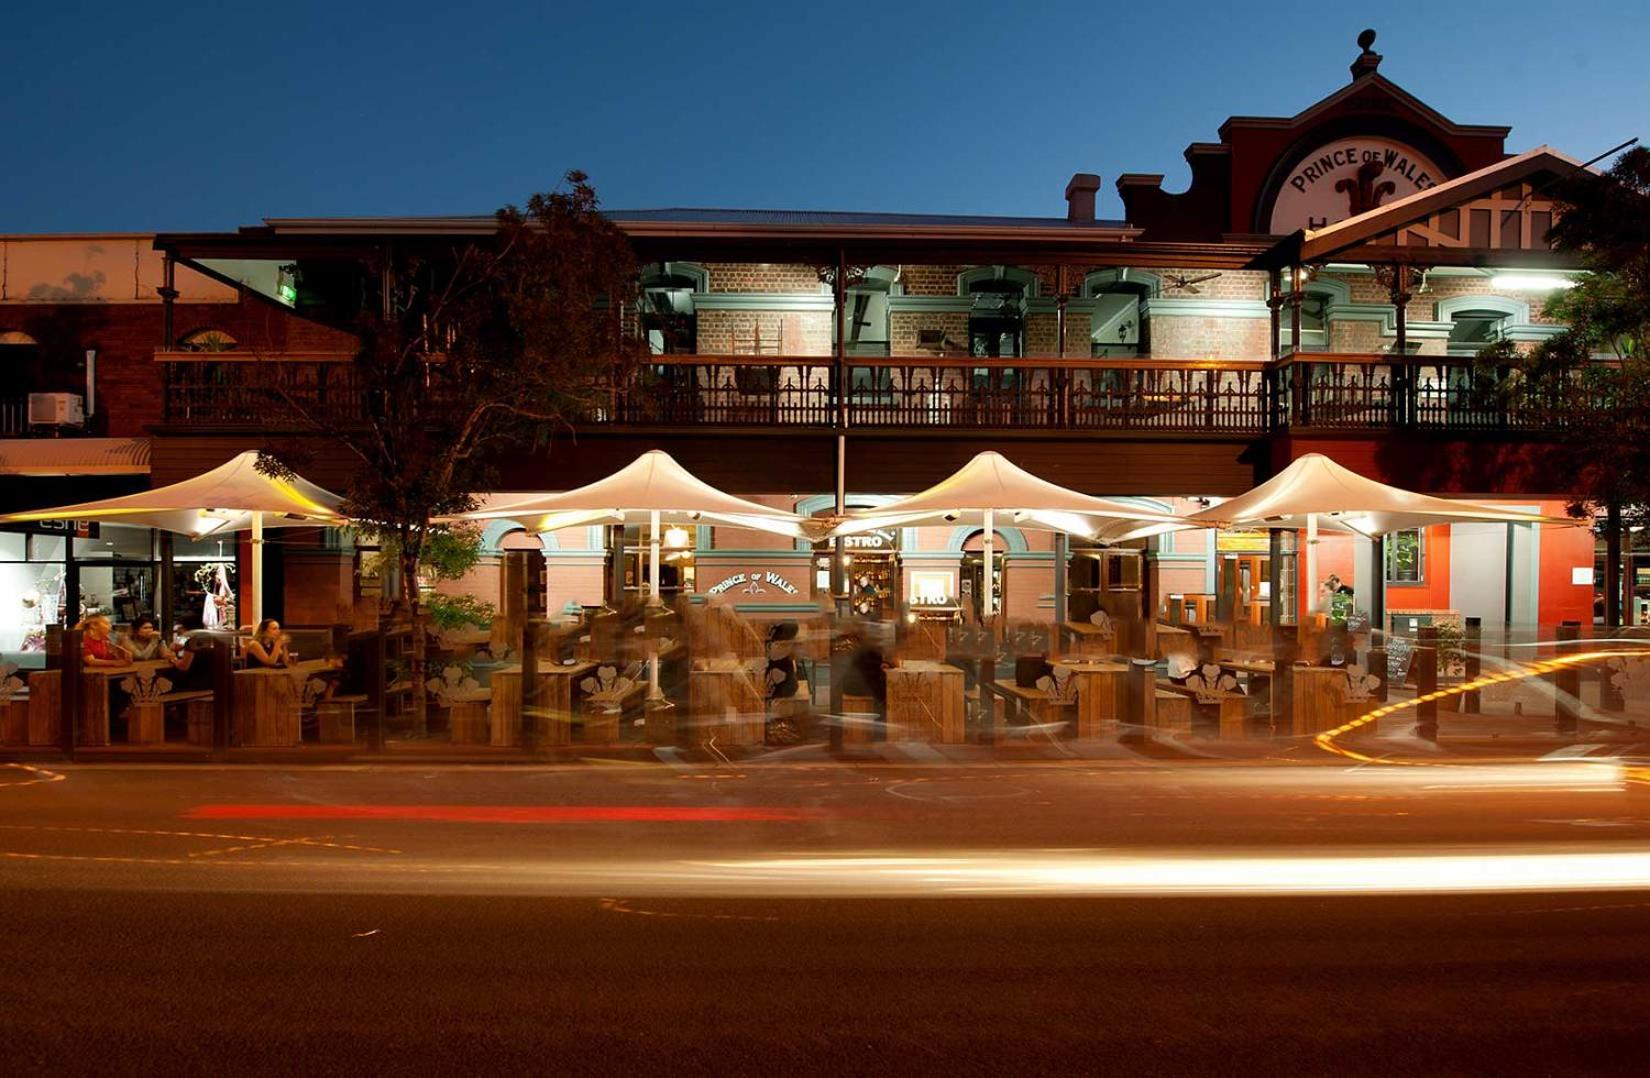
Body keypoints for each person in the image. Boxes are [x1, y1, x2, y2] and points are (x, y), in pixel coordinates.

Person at [121, 614, 195, 672]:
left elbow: (165, 655)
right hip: (133, 671)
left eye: (151, 628)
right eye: (145, 628)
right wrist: (153, 642)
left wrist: (167, 647)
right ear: (136, 630)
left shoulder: (156, 639)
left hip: (154, 669)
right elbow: (141, 657)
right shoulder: (127, 639)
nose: (149, 630)